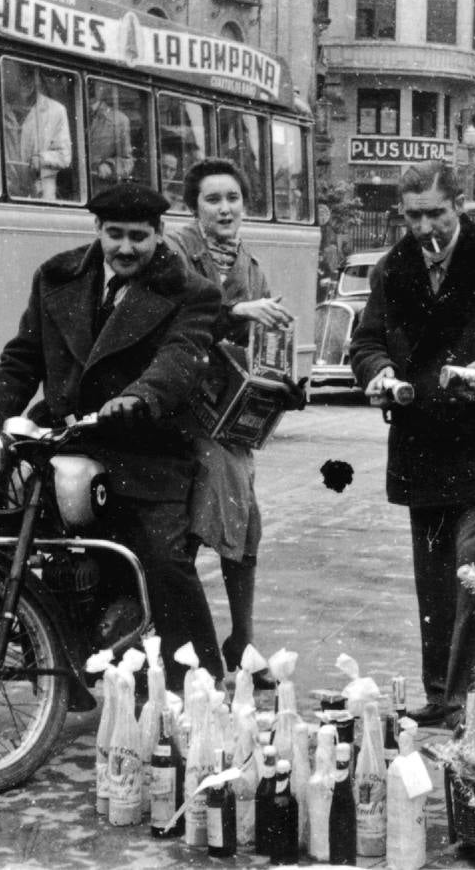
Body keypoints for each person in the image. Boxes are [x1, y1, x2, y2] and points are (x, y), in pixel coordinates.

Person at [0, 182, 225, 693]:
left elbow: (181, 357)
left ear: (159, 234)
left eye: (138, 236)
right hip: (64, 440)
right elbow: (23, 358)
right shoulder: (57, 275)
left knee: (162, 560)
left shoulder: (191, 290)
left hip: (145, 447)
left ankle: (198, 691)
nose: (125, 248)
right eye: (114, 235)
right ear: (97, 231)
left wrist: (139, 397)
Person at [348, 160, 475, 729]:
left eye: (437, 213)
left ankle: (466, 697)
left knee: (471, 575)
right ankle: (441, 693)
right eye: (414, 215)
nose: (427, 226)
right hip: (420, 442)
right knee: (433, 580)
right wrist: (379, 374)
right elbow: (367, 342)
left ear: (460, 206)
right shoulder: (390, 270)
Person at [169, 158, 293, 672]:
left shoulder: (251, 265)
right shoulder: (175, 250)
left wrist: (274, 370)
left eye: (233, 198)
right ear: (194, 206)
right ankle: (201, 639)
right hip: (178, 408)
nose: (225, 208)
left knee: (244, 519)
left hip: (226, 415)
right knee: (207, 519)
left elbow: (253, 349)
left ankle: (241, 638)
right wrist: (238, 312)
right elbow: (174, 311)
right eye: (212, 199)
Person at [16, 66, 71, 200]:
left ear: (38, 78)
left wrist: (42, 159)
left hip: (42, 193)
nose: (25, 81)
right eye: (21, 75)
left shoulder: (56, 110)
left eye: (30, 75)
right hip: (11, 189)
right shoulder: (0, 105)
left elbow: (64, 156)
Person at [88, 85, 134, 191]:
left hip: (99, 189)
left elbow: (127, 161)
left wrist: (109, 165)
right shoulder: (67, 111)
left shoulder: (119, 120)